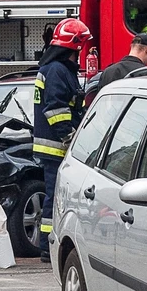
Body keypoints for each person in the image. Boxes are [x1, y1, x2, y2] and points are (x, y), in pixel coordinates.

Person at [33, 18, 90, 263]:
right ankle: (47, 247)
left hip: (52, 146)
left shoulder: (53, 68)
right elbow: (55, 108)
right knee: (54, 196)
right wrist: (69, 136)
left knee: (55, 196)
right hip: (57, 147)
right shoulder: (57, 70)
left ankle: (50, 245)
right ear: (73, 46)